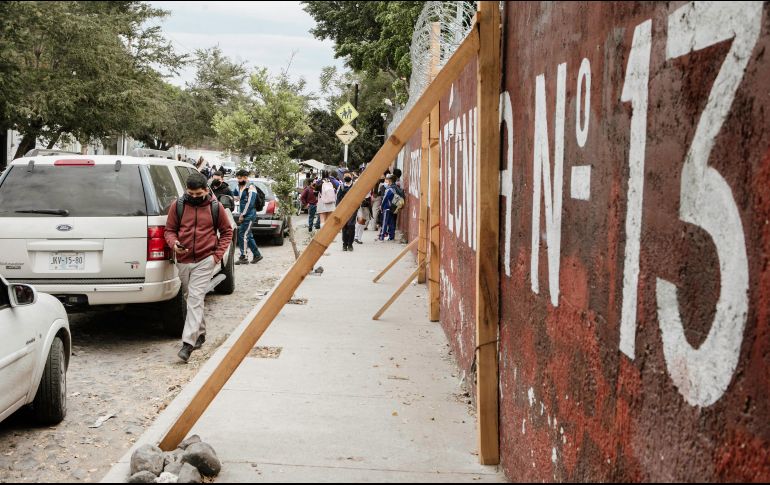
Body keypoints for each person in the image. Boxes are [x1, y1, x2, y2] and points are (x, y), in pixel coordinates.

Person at [164, 173, 234, 363]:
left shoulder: (215, 206)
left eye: (198, 194)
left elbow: (227, 232)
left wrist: (216, 256)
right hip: (184, 259)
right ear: (186, 190)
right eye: (191, 193)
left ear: (206, 190)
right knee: (191, 297)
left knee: (195, 297)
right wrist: (174, 244)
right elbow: (169, 230)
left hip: (205, 260)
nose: (194, 197)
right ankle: (200, 333)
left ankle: (188, 343)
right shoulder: (177, 206)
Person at [233, 169, 263, 265]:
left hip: (249, 215)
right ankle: (257, 254)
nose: (238, 180)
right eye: (237, 178)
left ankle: (244, 256)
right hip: (245, 214)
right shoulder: (239, 186)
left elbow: (250, 203)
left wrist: (243, 214)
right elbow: (236, 196)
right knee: (248, 235)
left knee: (243, 234)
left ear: (245, 178)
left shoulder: (251, 187)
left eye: (240, 178)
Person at [336, 173, 357, 251]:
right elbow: (338, 199)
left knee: (351, 226)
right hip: (343, 209)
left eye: (348, 176)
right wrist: (338, 209)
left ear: (351, 177)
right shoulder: (341, 186)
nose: (347, 177)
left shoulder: (355, 186)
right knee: (344, 227)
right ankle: (344, 244)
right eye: (345, 176)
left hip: (353, 209)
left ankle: (350, 244)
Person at [378, 174, 397, 241]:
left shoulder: (389, 189)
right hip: (392, 208)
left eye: (387, 180)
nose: (386, 182)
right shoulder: (395, 188)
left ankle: (382, 236)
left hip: (386, 207)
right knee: (391, 222)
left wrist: (381, 206)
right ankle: (391, 236)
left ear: (390, 181)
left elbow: (385, 199)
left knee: (384, 222)